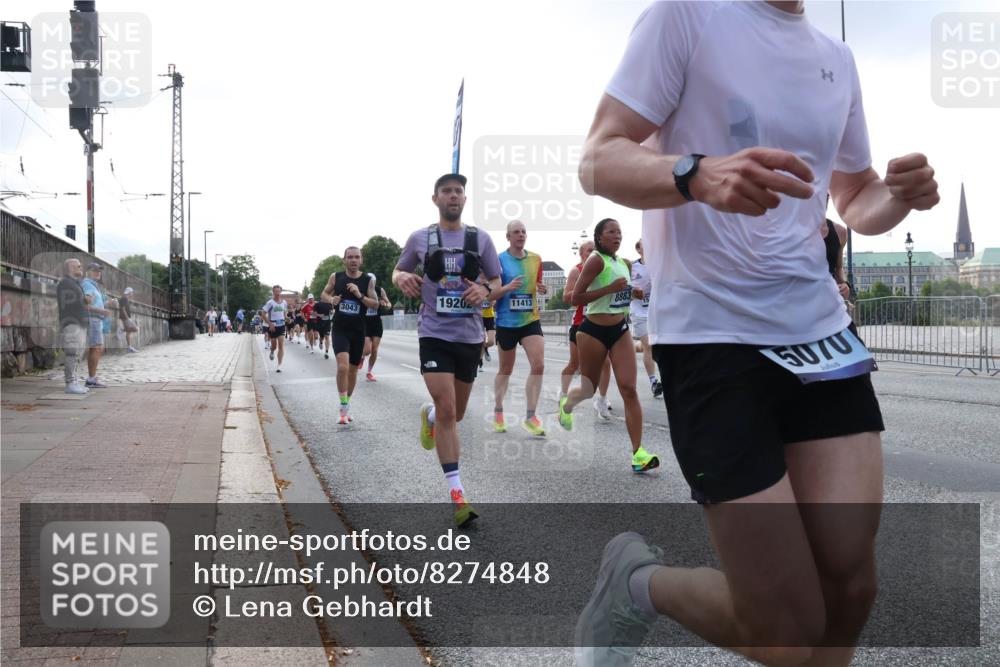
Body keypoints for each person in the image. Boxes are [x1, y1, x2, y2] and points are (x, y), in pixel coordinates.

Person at [573, 3, 940, 665]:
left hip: (818, 333)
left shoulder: (839, 58)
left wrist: (899, 197)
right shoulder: (685, 17)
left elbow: (853, 196)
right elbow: (597, 160)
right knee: (785, 628)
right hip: (711, 334)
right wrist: (694, 174)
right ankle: (637, 584)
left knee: (850, 585)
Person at [393, 172, 501, 527]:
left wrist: (484, 290)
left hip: (469, 336)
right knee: (448, 407)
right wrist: (402, 278)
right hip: (434, 332)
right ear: (435, 199)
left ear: (465, 200)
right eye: (447, 191)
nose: (454, 196)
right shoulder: (420, 238)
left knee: (455, 415)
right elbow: (398, 271)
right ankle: (458, 497)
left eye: (459, 191)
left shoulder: (480, 238)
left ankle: (429, 418)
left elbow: (496, 281)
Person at [557, 219, 658, 475]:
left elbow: (621, 290)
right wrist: (609, 289)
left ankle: (638, 454)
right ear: (600, 237)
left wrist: (632, 292)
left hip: (620, 329)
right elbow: (575, 298)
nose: (617, 236)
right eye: (611, 232)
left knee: (629, 389)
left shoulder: (622, 263)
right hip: (593, 330)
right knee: (589, 389)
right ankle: (567, 404)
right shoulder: (595, 260)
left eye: (620, 232)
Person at [491, 220, 548, 436]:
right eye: (516, 232)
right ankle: (498, 411)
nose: (521, 235)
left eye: (523, 231)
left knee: (539, 365)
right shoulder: (498, 260)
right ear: (508, 236)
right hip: (506, 322)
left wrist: (540, 288)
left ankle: (531, 416)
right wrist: (507, 287)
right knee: (506, 369)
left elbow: (536, 286)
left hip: (530, 320)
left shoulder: (536, 259)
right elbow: (490, 295)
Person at [322, 247, 380, 424]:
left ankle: (346, 406)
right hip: (340, 329)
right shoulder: (336, 277)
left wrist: (359, 294)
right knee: (343, 367)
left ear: (361, 260)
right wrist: (331, 300)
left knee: (353, 370)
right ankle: (343, 404)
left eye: (357, 257)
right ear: (344, 260)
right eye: (350, 257)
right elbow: (324, 293)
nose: (353, 260)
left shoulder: (367, 280)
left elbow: (375, 304)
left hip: (358, 331)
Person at [560, 240, 614, 419]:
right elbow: (567, 297)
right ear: (581, 254)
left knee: (606, 363)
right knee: (575, 365)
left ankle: (602, 399)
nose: (592, 253)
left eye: (595, 250)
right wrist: (582, 291)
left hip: (599, 322)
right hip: (580, 324)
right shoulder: (576, 270)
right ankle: (563, 393)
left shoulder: (603, 268)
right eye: (589, 250)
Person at [630, 239, 662, 397]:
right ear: (638, 249)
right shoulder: (632, 266)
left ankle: (629, 348)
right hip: (638, 312)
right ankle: (654, 382)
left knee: (652, 345)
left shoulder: (659, 264)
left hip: (657, 311)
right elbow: (622, 287)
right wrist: (633, 291)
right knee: (648, 345)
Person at [57, 259, 90, 394]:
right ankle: (70, 383)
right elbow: (68, 301)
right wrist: (85, 300)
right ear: (70, 267)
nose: (81, 267)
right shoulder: (65, 283)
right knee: (72, 353)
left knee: (77, 353)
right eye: (78, 265)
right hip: (72, 323)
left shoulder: (74, 283)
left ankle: (74, 382)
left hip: (79, 322)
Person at [80, 262, 116, 388]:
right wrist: (102, 310)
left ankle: (92, 378)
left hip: (96, 319)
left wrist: (106, 304)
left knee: (95, 347)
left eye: (99, 270)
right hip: (94, 319)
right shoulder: (88, 284)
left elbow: (92, 302)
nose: (98, 272)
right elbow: (86, 303)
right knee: (96, 347)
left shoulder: (93, 285)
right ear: (88, 271)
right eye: (95, 270)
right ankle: (91, 379)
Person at [362, 284, 392, 381]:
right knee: (367, 350)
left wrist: (386, 305)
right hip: (365, 323)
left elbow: (389, 303)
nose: (371, 283)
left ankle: (369, 372)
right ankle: (362, 357)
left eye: (373, 281)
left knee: (374, 349)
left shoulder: (380, 290)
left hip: (377, 324)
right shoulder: (362, 289)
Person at [262, 285, 288, 372]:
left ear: (281, 292)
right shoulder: (270, 303)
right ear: (273, 292)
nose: (277, 293)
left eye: (279, 291)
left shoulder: (284, 302)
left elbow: (284, 312)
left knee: (281, 345)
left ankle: (279, 365)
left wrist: (286, 318)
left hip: (281, 326)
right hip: (272, 327)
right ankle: (272, 351)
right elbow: (263, 314)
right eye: (275, 291)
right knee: (274, 346)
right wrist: (270, 324)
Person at [119, 286, 139, 353]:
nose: (132, 294)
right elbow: (123, 309)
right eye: (132, 292)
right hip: (125, 318)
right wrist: (127, 319)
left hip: (126, 317)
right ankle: (121, 330)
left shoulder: (125, 298)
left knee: (129, 332)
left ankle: (129, 347)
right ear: (129, 292)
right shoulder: (124, 298)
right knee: (135, 329)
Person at [480, 293, 496, 367]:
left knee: (491, 342)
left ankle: (485, 348)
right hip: (480, 317)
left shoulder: (491, 288)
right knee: (481, 341)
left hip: (490, 317)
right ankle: (480, 363)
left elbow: (496, 298)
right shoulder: (477, 287)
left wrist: (494, 302)